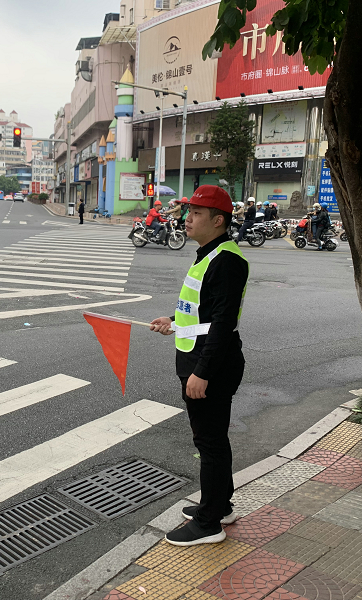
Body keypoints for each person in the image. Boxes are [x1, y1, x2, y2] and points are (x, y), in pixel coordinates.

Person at [150, 185, 249, 546]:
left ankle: (209, 524)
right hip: (200, 356)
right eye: (188, 212)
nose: (187, 219)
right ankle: (220, 505)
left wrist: (202, 373)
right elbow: (202, 310)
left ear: (218, 220)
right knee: (213, 439)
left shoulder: (227, 261)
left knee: (209, 443)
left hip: (211, 365)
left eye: (196, 214)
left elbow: (222, 322)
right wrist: (173, 320)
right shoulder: (209, 254)